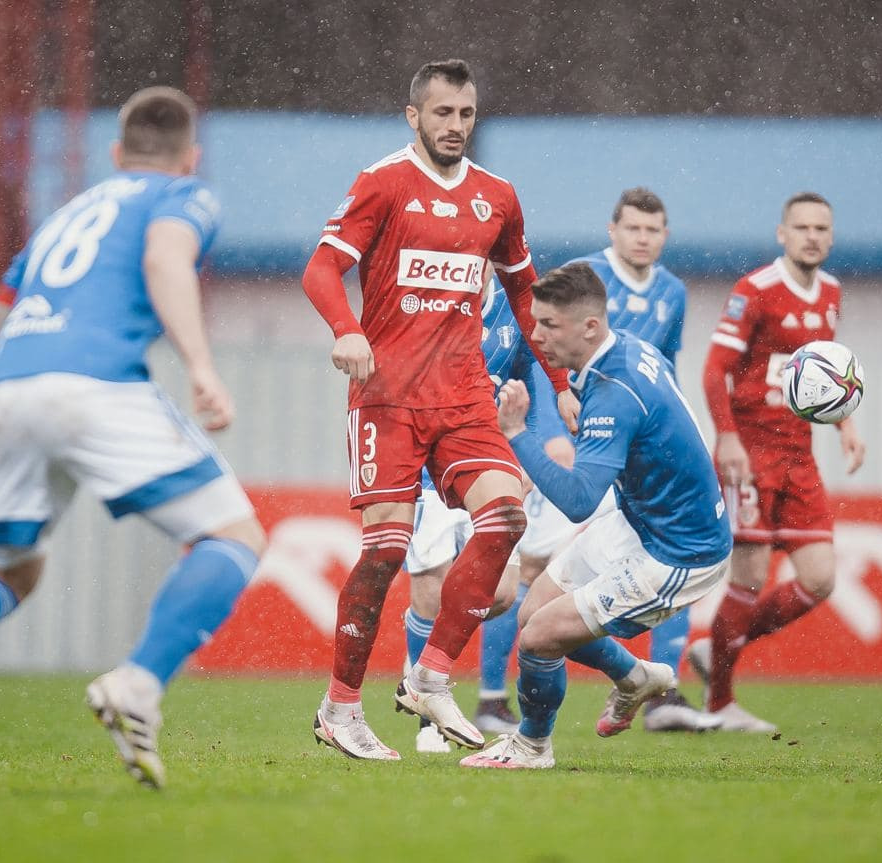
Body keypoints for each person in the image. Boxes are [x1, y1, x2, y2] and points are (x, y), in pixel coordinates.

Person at [0, 87, 266, 789]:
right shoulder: (183, 194)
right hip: (95, 381)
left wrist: (10, 405)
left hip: (6, 386)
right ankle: (138, 685)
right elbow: (165, 260)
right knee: (233, 536)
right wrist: (201, 367)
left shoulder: (62, 218)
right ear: (189, 156)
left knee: (6, 571)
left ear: (116, 153)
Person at [302, 58, 577, 760]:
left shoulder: (497, 197)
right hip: (389, 397)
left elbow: (525, 293)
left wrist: (561, 380)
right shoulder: (383, 182)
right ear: (414, 116)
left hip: (463, 396)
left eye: (466, 114)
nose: (455, 126)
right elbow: (321, 268)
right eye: (443, 113)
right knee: (386, 551)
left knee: (505, 517)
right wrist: (347, 329)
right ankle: (340, 707)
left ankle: (429, 676)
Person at [460, 261, 733, 770]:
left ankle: (532, 747)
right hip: (641, 521)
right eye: (535, 322)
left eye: (549, 325)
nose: (536, 336)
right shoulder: (624, 348)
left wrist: (517, 434)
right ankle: (635, 677)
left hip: (680, 553)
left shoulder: (613, 393)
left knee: (540, 638)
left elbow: (579, 501)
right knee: (531, 613)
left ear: (589, 326)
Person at [687, 192, 865, 732]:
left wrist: (845, 424)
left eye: (821, 228)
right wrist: (728, 438)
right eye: (802, 227)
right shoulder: (756, 289)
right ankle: (719, 703)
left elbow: (820, 377)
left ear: (831, 237)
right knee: (750, 577)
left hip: (798, 454)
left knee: (820, 579)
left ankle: (720, 648)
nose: (812, 236)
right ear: (782, 234)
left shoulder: (831, 293)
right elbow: (714, 369)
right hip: (751, 452)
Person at [561, 187, 718, 732]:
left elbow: (665, 368)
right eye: (633, 228)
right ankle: (495, 692)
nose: (643, 238)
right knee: (537, 571)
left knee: (670, 549)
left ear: (665, 236)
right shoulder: (584, 278)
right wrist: (552, 414)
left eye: (652, 230)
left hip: (643, 453)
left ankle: (663, 694)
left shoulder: (672, 291)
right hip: (588, 443)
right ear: (613, 230)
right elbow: (544, 349)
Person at [403, 275, 571, 754]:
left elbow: (527, 392)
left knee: (499, 593)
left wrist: (528, 453)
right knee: (431, 587)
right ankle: (427, 718)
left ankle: (421, 652)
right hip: (427, 466)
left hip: (489, 463)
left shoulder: (514, 310)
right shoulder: (425, 301)